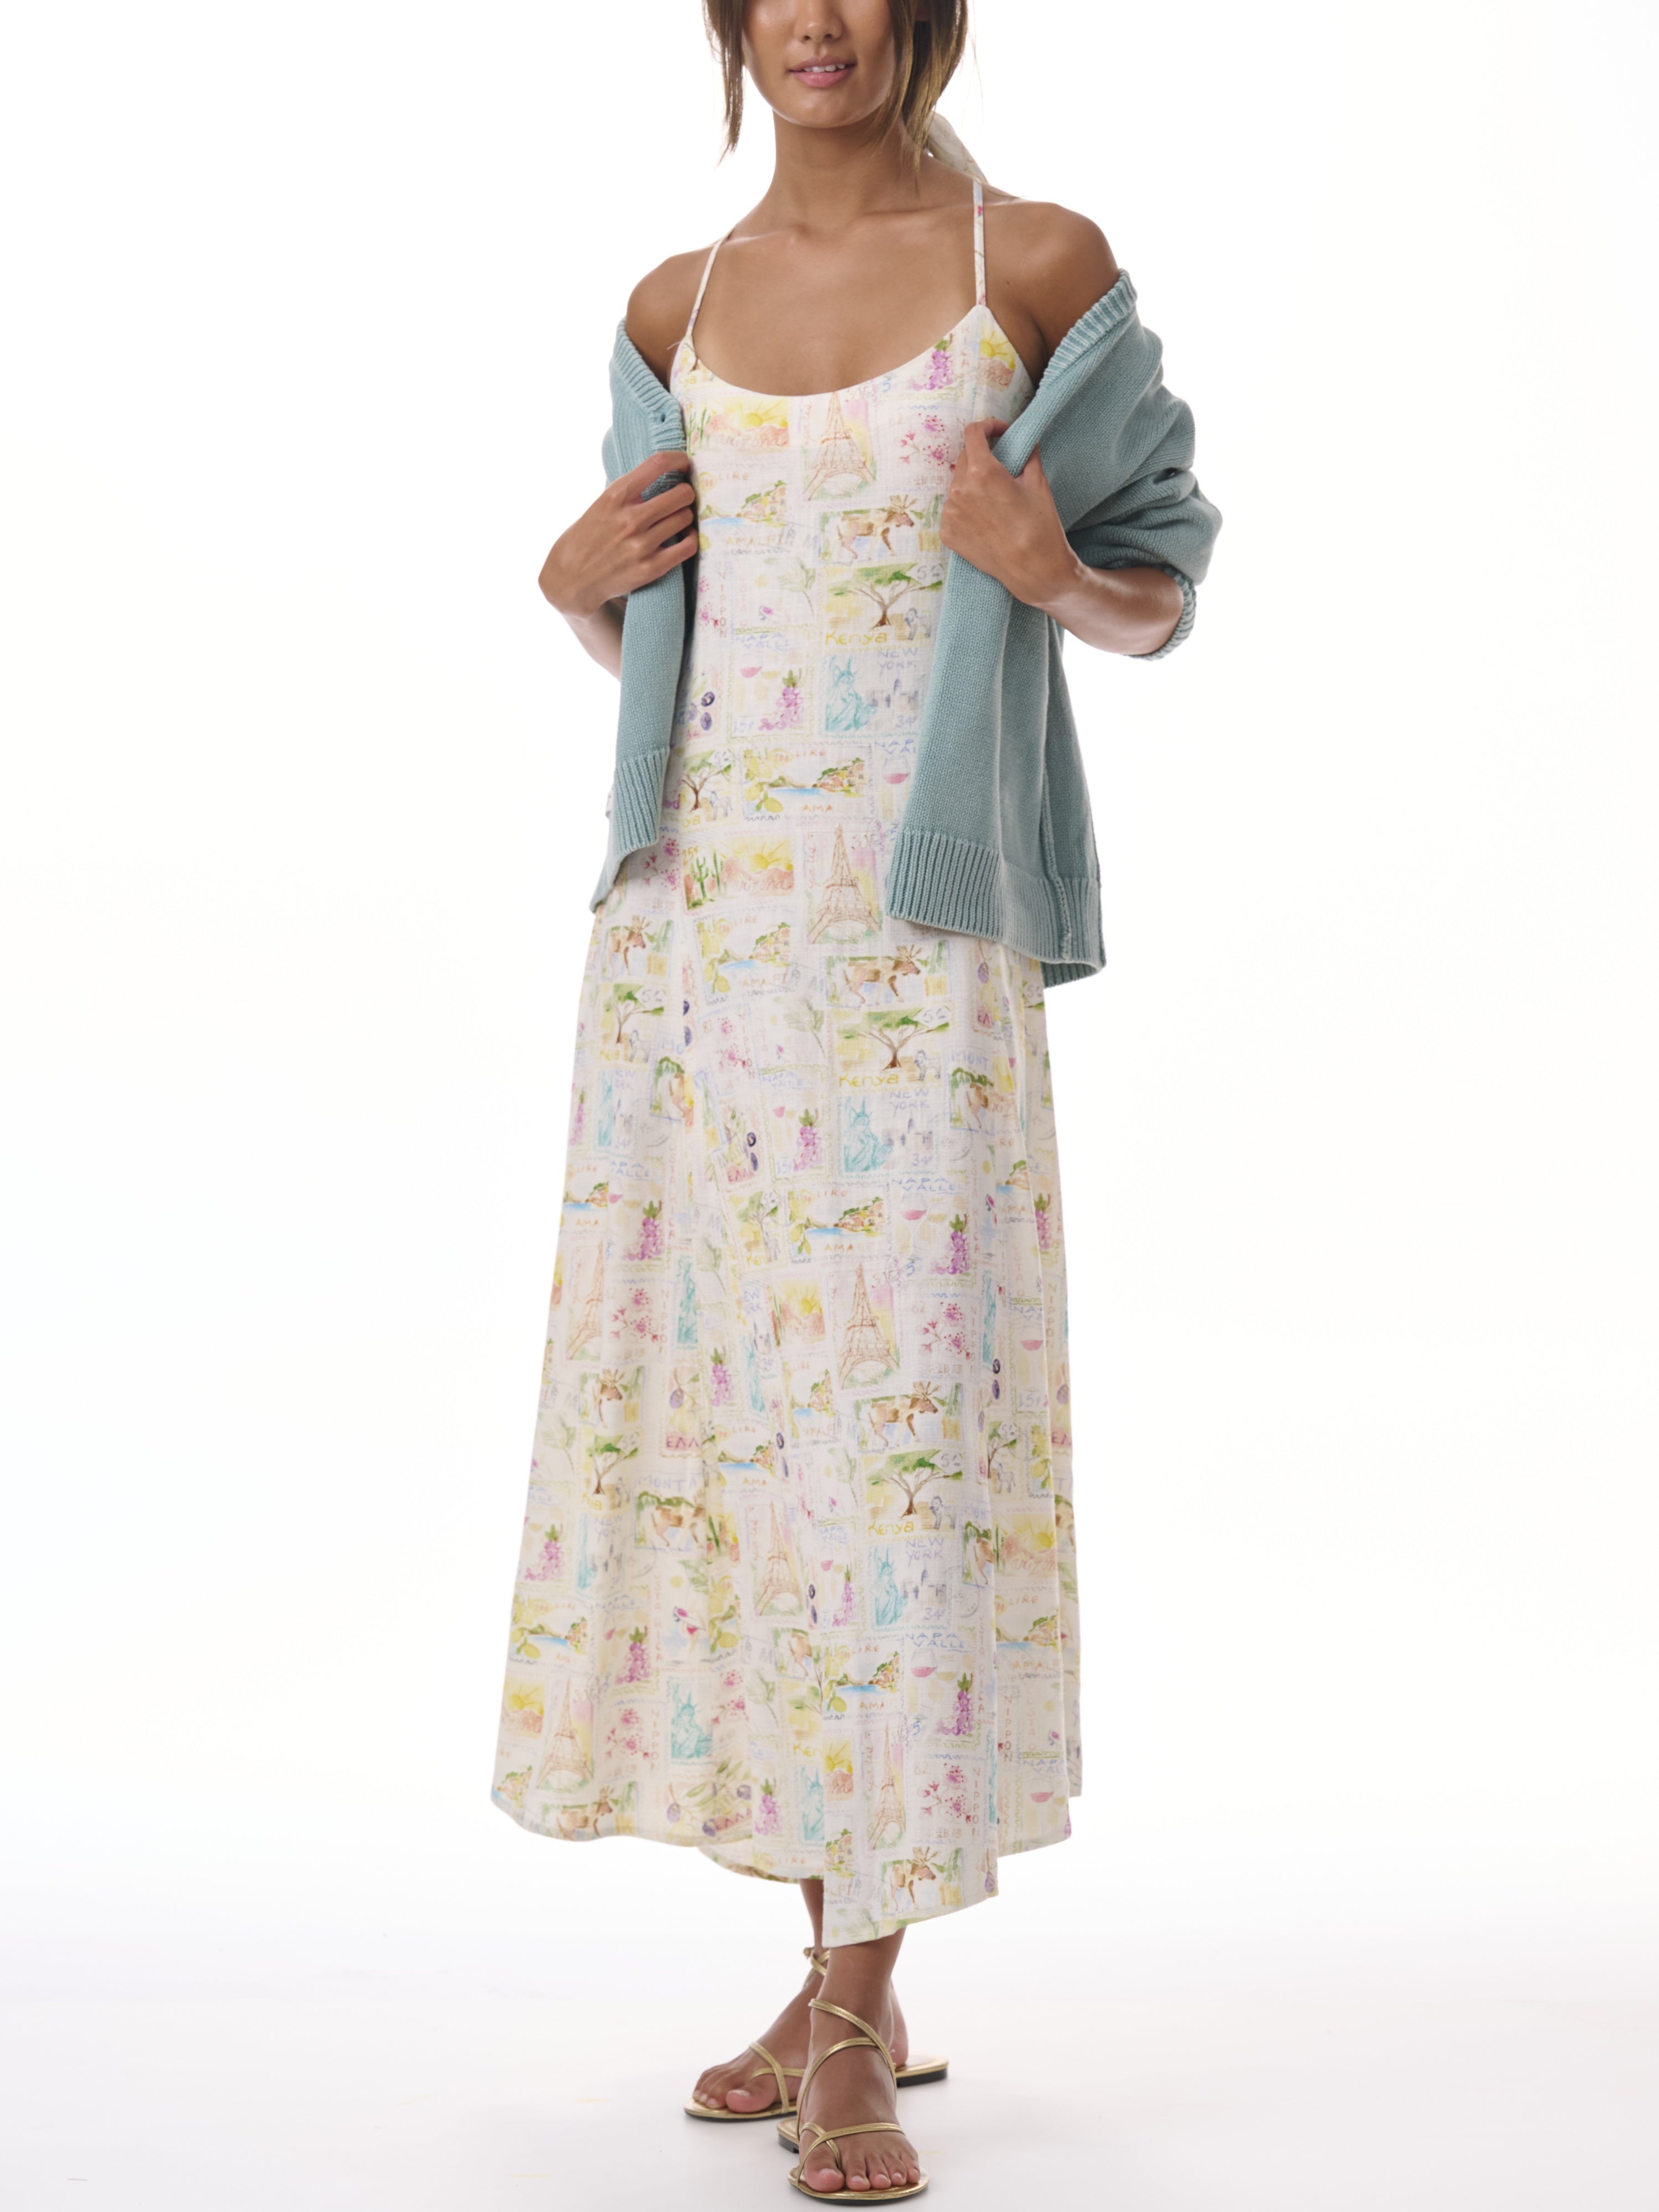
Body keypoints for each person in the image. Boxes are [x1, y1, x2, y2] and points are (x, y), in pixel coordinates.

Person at [494, 2, 1220, 2197]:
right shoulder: (673, 307)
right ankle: (851, 1990)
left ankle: (846, 2005)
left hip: (920, 954)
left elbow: (1164, 584)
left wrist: (1050, 574)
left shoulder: (1039, 271)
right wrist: (574, 600)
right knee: (759, 1464)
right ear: (733, 22)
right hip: (697, 946)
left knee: (893, 1454)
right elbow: (706, 655)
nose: (817, 17)